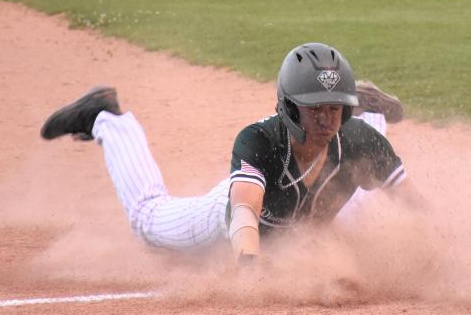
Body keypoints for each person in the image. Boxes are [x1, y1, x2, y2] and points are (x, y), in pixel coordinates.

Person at [40, 42, 419, 263]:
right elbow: (243, 213)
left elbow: (418, 209)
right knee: (147, 220)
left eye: (336, 107)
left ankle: (369, 109)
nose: (326, 120)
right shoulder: (260, 142)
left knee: (358, 180)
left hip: (309, 209)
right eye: (315, 108)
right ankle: (105, 116)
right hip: (230, 219)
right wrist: (249, 267)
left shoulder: (356, 140)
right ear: (288, 107)